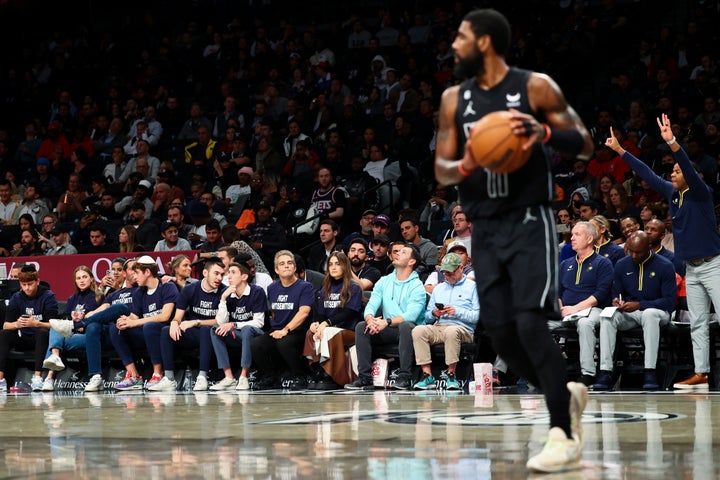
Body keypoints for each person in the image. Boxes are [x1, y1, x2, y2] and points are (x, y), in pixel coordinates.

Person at [433, 9, 593, 472]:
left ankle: (561, 432)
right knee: (501, 333)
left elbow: (582, 141)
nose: (455, 45)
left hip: (529, 220)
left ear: (483, 41)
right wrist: (467, 163)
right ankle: (564, 394)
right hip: (484, 225)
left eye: (461, 37)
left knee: (527, 322)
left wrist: (543, 132)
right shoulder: (452, 99)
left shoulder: (534, 85)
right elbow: (442, 169)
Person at [606, 114, 720, 390]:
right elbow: (647, 173)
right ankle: (701, 373)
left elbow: (688, 169)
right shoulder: (671, 193)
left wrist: (671, 141)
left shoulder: (701, 192)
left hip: (713, 264)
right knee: (698, 324)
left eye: (677, 172)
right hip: (692, 269)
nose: (673, 174)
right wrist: (622, 151)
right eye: (673, 172)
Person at [593, 231, 676, 391]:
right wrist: (617, 301)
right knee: (607, 317)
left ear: (649, 247)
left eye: (638, 252)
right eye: (630, 250)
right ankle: (605, 371)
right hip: (631, 312)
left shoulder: (665, 265)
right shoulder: (622, 264)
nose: (633, 255)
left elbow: (669, 302)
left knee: (649, 314)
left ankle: (650, 371)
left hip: (658, 312)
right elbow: (616, 292)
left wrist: (640, 305)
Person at [345, 243, 426, 391]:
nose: (397, 253)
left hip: (410, 331)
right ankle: (365, 378)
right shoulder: (384, 281)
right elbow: (372, 304)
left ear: (411, 262)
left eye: (403, 252)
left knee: (406, 325)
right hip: (387, 329)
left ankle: (405, 377)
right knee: (362, 326)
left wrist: (386, 322)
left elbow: (411, 315)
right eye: (397, 251)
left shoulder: (417, 285)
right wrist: (370, 319)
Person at [50, 258, 138, 392]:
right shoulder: (113, 294)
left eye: (119, 270)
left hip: (129, 328)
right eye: (113, 270)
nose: (115, 273)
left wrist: (78, 323)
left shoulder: (139, 290)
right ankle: (96, 376)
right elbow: (101, 310)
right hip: (110, 334)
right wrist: (84, 317)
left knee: (120, 307)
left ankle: (73, 327)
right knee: (92, 326)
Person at [548, 222, 613, 386]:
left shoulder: (603, 263)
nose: (572, 237)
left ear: (590, 238)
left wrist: (575, 308)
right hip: (566, 312)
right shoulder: (565, 264)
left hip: (593, 310)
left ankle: (588, 374)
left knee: (585, 323)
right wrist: (562, 308)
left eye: (577, 234)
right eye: (572, 234)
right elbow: (558, 292)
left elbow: (600, 294)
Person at [149, 257, 226, 392]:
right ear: (205, 273)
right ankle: (169, 378)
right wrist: (174, 323)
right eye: (216, 273)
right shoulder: (190, 289)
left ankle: (202, 377)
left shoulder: (224, 292)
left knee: (205, 329)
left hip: (214, 334)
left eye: (222, 274)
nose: (219, 278)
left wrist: (195, 322)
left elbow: (220, 321)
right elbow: (178, 317)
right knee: (166, 330)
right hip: (193, 333)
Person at [412, 252, 480, 390]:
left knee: (451, 331)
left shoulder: (473, 287)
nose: (448, 276)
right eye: (445, 273)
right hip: (439, 326)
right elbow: (427, 318)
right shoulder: (439, 288)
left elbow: (477, 317)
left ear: (461, 268)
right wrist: (434, 313)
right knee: (418, 330)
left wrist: (457, 312)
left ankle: (451, 375)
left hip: (464, 329)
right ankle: (427, 376)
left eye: (451, 273)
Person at [110, 256, 179, 390]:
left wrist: (135, 323)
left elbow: (165, 316)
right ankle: (133, 376)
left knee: (150, 326)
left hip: (166, 333)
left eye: (136, 273)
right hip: (147, 333)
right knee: (115, 328)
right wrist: (126, 321)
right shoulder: (139, 291)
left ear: (147, 272)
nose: (134, 276)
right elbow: (135, 316)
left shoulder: (167, 286)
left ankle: (157, 373)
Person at [251, 250, 314, 390]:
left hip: (299, 331)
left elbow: (304, 313)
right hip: (278, 330)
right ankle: (270, 377)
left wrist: (286, 330)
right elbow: (273, 312)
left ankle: (300, 376)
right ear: (276, 269)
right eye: (282, 263)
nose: (286, 266)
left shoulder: (305, 287)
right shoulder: (272, 288)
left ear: (295, 267)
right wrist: (278, 329)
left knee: (284, 343)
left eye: (290, 263)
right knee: (256, 344)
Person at [303, 251, 363, 389]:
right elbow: (321, 314)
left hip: (349, 331)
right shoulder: (325, 289)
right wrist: (317, 325)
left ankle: (330, 375)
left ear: (345, 266)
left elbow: (348, 313)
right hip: (329, 328)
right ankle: (317, 370)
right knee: (310, 333)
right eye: (330, 264)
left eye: (338, 264)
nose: (333, 267)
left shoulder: (353, 287)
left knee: (329, 332)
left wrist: (327, 323)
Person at [41, 266, 103, 391]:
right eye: (78, 278)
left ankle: (49, 376)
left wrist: (82, 322)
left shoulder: (98, 297)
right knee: (56, 326)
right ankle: (54, 362)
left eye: (85, 277)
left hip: (88, 336)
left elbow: (100, 318)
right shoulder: (73, 298)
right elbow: (65, 316)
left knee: (57, 341)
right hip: (72, 333)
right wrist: (71, 317)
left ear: (91, 279)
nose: (81, 280)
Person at [209, 262, 267, 391]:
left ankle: (243, 376)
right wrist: (223, 299)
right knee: (215, 330)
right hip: (238, 335)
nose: (228, 276)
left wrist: (234, 324)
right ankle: (229, 377)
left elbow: (259, 322)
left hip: (257, 335)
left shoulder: (256, 291)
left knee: (246, 329)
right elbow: (220, 322)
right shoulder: (227, 293)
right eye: (228, 273)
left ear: (244, 277)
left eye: (233, 272)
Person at [0, 265, 58, 392]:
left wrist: (36, 323)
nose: (27, 288)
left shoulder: (48, 296)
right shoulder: (16, 297)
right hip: (23, 338)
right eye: (24, 284)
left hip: (43, 340)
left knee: (41, 333)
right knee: (4, 334)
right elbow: (6, 325)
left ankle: (37, 378)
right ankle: (1, 379)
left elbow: (53, 324)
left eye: (30, 284)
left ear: (37, 281)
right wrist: (17, 324)